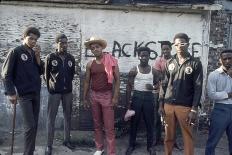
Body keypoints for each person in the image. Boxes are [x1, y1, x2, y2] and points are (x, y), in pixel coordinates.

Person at [159, 33, 203, 155]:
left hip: (185, 106)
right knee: (168, 136)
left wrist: (194, 109)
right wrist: (160, 105)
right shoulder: (169, 62)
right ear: (174, 45)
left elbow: (198, 87)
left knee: (187, 136)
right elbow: (164, 85)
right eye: (177, 44)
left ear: (188, 44)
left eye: (182, 43)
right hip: (168, 105)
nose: (179, 46)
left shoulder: (195, 63)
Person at [1, 27, 43, 155]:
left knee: (34, 126)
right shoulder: (16, 51)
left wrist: (38, 57)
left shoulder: (33, 53)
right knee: (30, 126)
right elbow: (5, 74)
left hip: (36, 93)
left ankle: (29, 150)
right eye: (31, 38)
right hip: (24, 95)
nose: (33, 41)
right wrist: (11, 93)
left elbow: (40, 71)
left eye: (35, 39)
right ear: (23, 37)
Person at [83, 36, 120, 155]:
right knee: (97, 124)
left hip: (107, 96)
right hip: (94, 96)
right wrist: (85, 98)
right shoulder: (90, 64)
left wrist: (115, 97)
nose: (95, 49)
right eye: (92, 48)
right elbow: (87, 82)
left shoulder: (111, 61)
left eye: (97, 47)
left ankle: (111, 152)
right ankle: (99, 148)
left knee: (109, 126)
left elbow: (117, 80)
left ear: (102, 48)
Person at [44, 34, 75, 155]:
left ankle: (67, 140)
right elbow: (46, 75)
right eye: (61, 42)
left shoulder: (71, 58)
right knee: (51, 119)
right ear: (57, 43)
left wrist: (66, 85)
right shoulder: (50, 57)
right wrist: (51, 88)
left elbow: (71, 74)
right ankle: (48, 145)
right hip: (54, 93)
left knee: (68, 117)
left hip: (67, 92)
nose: (64, 44)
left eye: (66, 42)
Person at [125, 47, 158, 155]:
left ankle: (150, 147)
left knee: (150, 123)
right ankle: (131, 145)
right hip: (137, 97)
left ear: (149, 56)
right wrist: (128, 103)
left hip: (149, 98)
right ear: (139, 56)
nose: (144, 57)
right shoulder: (134, 70)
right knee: (134, 123)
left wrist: (153, 87)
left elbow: (159, 84)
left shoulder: (153, 70)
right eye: (142, 55)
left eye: (146, 55)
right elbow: (129, 86)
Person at [205, 49, 232, 155]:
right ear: (220, 60)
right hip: (220, 109)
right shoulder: (214, 75)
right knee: (213, 141)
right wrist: (229, 95)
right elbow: (212, 95)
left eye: (230, 58)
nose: (228, 61)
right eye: (225, 59)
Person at [153, 41, 172, 145]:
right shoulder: (159, 61)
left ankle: (170, 140)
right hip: (160, 91)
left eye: (167, 49)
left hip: (172, 92)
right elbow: (158, 76)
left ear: (171, 49)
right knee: (157, 115)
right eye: (163, 49)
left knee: (170, 116)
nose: (165, 51)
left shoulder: (175, 60)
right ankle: (157, 138)